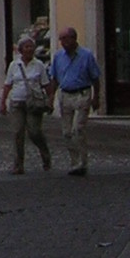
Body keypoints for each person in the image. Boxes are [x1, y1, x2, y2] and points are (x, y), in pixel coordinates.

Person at [50, 26, 102, 177]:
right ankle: (74, 161)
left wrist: (96, 97)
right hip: (65, 94)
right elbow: (54, 78)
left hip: (82, 93)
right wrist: (51, 97)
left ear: (74, 38)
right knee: (66, 132)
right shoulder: (58, 56)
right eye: (61, 39)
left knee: (78, 129)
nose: (63, 42)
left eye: (65, 39)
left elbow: (95, 77)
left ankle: (82, 163)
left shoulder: (86, 55)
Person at [0, 29, 54, 173]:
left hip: (34, 104)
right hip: (17, 102)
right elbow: (7, 84)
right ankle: (18, 165)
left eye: (31, 47)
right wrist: (3, 101)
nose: (29, 49)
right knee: (17, 132)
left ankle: (45, 154)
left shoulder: (39, 65)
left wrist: (50, 101)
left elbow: (46, 85)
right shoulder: (14, 65)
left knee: (34, 132)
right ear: (21, 49)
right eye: (26, 47)